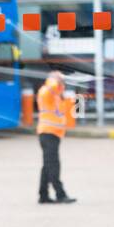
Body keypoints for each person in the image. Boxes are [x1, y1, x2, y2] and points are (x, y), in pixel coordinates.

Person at [36, 70, 77, 204]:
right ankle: (60, 194)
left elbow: (65, 109)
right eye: (59, 81)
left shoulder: (57, 96)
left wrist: (61, 83)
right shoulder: (45, 91)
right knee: (54, 165)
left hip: (54, 134)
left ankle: (43, 195)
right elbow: (52, 86)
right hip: (47, 133)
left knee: (47, 166)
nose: (61, 83)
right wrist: (56, 78)